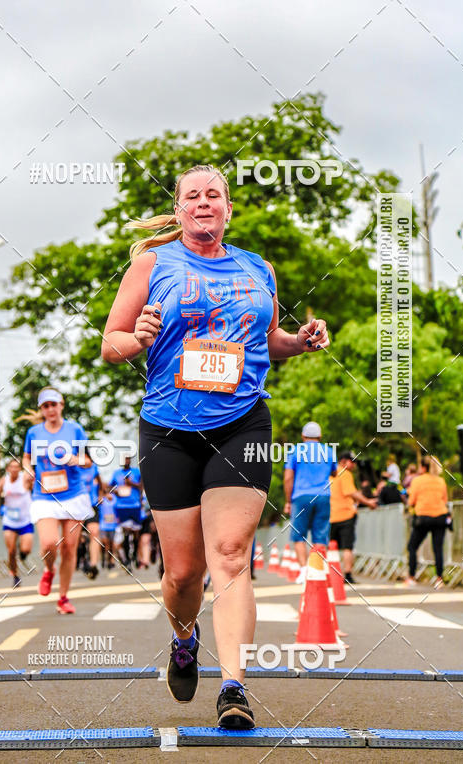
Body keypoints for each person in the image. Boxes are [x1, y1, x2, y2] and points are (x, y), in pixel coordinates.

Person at [101, 164, 329, 729]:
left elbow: (268, 340)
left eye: (214, 195)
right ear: (179, 210)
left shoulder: (258, 269)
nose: (204, 203)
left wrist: (299, 342)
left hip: (242, 423)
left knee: (230, 556)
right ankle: (184, 637)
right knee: (182, 573)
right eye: (192, 196)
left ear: (228, 208)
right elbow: (111, 344)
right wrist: (142, 338)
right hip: (169, 430)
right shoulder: (152, 264)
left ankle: (234, 689)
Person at [19, 387, 94, 614]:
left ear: (61, 404)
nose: (50, 409)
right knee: (49, 543)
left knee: (70, 549)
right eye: (45, 406)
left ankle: (63, 598)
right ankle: (49, 569)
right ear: (42, 410)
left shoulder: (75, 429)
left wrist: (75, 459)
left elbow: (88, 461)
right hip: (45, 495)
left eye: (53, 404)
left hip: (73, 494)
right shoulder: (33, 432)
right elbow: (26, 458)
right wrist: (27, 471)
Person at [283, 422, 337, 584]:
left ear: (303, 436)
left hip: (301, 496)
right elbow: (334, 472)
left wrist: (288, 501)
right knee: (320, 534)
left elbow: (287, 478)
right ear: (320, 437)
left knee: (299, 535)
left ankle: (304, 570)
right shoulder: (328, 451)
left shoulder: (294, 451)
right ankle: (318, 570)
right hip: (323, 496)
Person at [329, 451, 377, 583]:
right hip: (345, 515)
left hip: (330, 515)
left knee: (329, 546)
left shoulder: (329, 473)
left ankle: (327, 574)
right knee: (347, 547)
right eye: (352, 461)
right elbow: (351, 493)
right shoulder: (344, 473)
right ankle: (348, 575)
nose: (354, 464)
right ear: (344, 461)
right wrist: (368, 502)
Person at [406, 456, 449, 589]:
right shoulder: (441, 481)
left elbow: (411, 501)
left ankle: (412, 577)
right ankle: (439, 579)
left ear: (423, 467)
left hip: (423, 517)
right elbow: (445, 500)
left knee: (412, 546)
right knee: (438, 549)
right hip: (440, 516)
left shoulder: (417, 481)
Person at [0, 460, 34, 587]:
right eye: (12, 467)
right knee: (11, 551)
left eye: (17, 467)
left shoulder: (25, 479)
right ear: (8, 469)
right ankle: (15, 576)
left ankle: (23, 554)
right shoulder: (4, 481)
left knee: (26, 549)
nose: (15, 469)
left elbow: (35, 488)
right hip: (10, 520)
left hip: (25, 520)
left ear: (20, 469)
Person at [109, 455, 143, 570]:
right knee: (125, 532)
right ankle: (127, 560)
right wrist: (115, 492)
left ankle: (135, 555)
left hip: (135, 506)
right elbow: (110, 487)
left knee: (136, 532)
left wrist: (131, 484)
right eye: (124, 459)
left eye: (128, 459)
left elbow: (142, 487)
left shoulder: (136, 472)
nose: (126, 461)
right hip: (121, 507)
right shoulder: (116, 473)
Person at [82, 458, 104, 579]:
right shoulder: (70, 466)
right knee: (78, 539)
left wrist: (101, 495)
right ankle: (82, 559)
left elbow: (100, 483)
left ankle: (94, 565)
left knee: (94, 532)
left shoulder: (93, 467)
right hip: (75, 506)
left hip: (92, 505)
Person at [98, 490, 118, 567]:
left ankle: (110, 560)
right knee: (104, 542)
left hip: (112, 525)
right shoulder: (102, 500)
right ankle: (103, 559)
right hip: (103, 525)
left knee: (111, 543)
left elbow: (117, 505)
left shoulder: (114, 499)